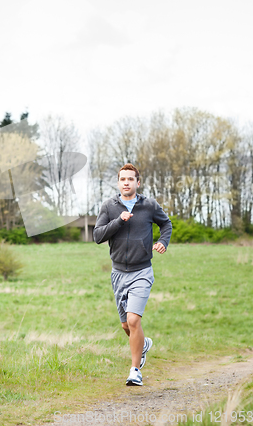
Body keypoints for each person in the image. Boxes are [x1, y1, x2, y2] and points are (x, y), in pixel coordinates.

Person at [93, 163, 172, 386]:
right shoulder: (109, 206)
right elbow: (97, 236)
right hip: (118, 273)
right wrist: (119, 221)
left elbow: (166, 224)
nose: (126, 182)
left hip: (142, 271)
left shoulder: (149, 206)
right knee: (126, 326)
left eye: (130, 179)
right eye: (122, 179)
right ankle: (143, 344)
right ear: (118, 183)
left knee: (133, 319)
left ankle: (135, 370)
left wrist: (162, 242)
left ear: (138, 182)